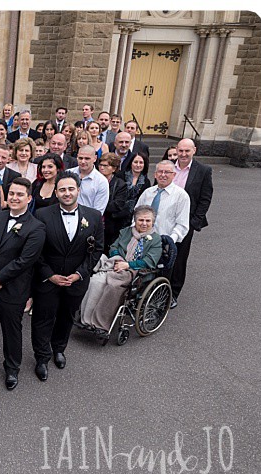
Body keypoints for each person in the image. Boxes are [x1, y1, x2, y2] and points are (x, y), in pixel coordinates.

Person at [31, 174, 104, 383]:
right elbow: (36, 250)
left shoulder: (94, 216)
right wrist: (50, 275)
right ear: (56, 193)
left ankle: (59, 349)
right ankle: (42, 357)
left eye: (71, 189)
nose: (67, 193)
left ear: (78, 190)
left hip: (76, 280)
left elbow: (97, 249)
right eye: (62, 190)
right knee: (43, 319)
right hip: (48, 280)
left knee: (66, 317)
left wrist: (80, 274)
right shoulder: (42, 214)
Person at [0, 177, 45, 385]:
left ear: (29, 198)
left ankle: (12, 367)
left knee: (11, 329)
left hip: (13, 287)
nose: (14, 198)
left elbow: (25, 261)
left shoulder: (36, 227)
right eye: (12, 193)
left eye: (20, 194)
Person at [78, 205, 162, 332]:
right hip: (115, 264)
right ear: (135, 220)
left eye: (148, 221)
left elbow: (149, 261)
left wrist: (128, 265)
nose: (144, 223)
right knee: (96, 281)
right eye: (141, 220)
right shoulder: (126, 232)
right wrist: (118, 259)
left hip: (135, 271)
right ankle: (85, 319)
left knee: (112, 287)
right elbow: (113, 247)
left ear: (153, 222)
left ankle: (99, 323)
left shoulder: (155, 240)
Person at [169, 138, 213, 306]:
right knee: (163, 254)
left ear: (194, 150)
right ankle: (158, 288)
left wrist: (194, 222)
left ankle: (174, 292)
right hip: (166, 219)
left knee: (179, 258)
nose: (183, 154)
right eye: (180, 150)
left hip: (186, 223)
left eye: (187, 151)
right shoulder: (168, 166)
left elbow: (205, 199)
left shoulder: (203, 170)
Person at [98, 152, 129, 251]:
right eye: (100, 165)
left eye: (105, 165)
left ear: (114, 168)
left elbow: (117, 205)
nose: (102, 168)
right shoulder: (94, 180)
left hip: (109, 225)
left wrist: (98, 204)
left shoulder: (120, 184)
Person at [68, 145, 109, 214]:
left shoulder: (101, 181)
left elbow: (98, 211)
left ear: (95, 158)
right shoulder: (68, 174)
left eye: (87, 158)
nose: (83, 161)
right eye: (80, 158)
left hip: (87, 221)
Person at [124, 152, 153, 217]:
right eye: (135, 162)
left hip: (136, 214)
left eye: (141, 162)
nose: (138, 165)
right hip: (118, 215)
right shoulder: (121, 176)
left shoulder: (146, 182)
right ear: (131, 163)